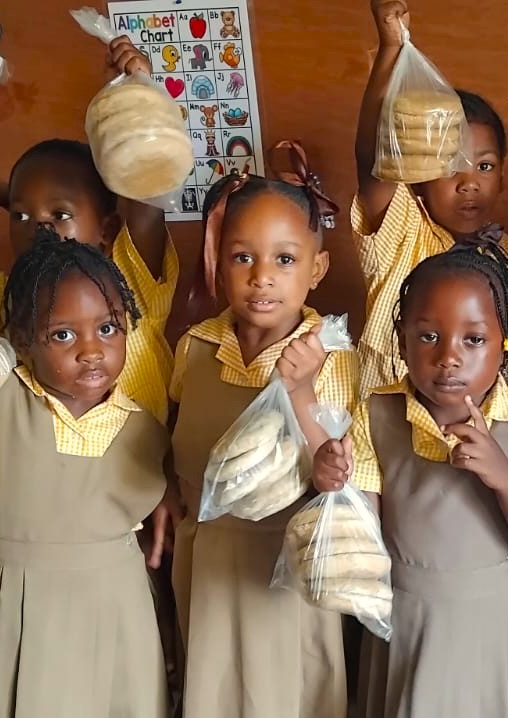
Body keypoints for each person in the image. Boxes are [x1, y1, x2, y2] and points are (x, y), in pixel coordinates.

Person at [307, 242, 508, 716]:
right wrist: (331, 479)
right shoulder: (378, 416)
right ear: (401, 340)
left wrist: (505, 477)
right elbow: (364, 534)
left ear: (506, 342)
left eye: (473, 340)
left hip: (492, 628)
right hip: (410, 621)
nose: (449, 358)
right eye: (429, 337)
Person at [0, 229, 174, 718]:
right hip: (23, 610)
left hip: (115, 611)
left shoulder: (144, 422)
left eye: (108, 328)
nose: (91, 350)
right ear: (22, 341)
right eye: (62, 334)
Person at [0, 37, 175, 427]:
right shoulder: (7, 293)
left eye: (59, 213)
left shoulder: (129, 280)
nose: (39, 226)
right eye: (20, 215)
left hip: (138, 479)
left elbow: (146, 190)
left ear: (106, 230)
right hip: (46, 477)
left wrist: (134, 94)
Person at [168, 141, 358, 718]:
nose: (261, 278)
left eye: (284, 260)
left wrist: (300, 391)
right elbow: (174, 436)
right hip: (208, 558)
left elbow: (335, 467)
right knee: (215, 689)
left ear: (317, 268)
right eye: (242, 258)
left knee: (287, 694)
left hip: (287, 566)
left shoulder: (333, 355)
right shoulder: (196, 347)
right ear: (218, 264)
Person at [350, 0, 508, 393]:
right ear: (419, 173)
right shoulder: (403, 229)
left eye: (485, 166)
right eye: (450, 165)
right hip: (387, 428)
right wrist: (390, 47)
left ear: (503, 176)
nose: (469, 182)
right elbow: (373, 157)